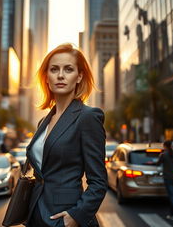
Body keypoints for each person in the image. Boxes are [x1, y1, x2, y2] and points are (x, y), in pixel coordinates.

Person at [25, 43, 107, 227]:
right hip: (36, 215)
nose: (60, 75)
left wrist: (75, 217)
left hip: (65, 217)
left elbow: (99, 182)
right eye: (54, 69)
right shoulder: (43, 122)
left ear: (79, 76)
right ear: (46, 77)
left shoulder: (88, 117)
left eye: (68, 69)